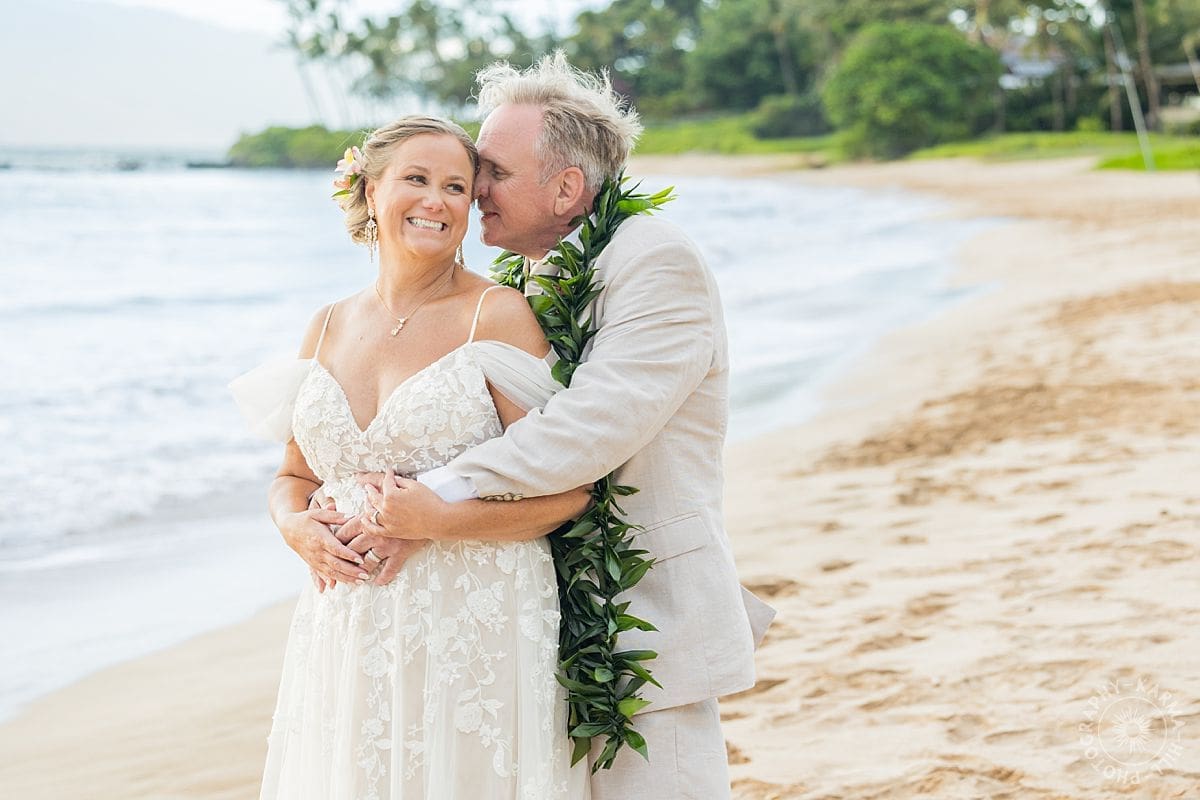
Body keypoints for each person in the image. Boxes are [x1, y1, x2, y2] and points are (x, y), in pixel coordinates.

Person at [351, 54, 775, 799]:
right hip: (536, 624)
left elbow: (589, 430)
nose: (474, 189)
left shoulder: (655, 260)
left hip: (644, 620)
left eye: (493, 172)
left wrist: (433, 502)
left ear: (567, 188)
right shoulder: (521, 279)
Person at [235, 115, 593, 799]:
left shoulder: (497, 314)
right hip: (347, 626)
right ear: (370, 192)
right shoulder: (328, 324)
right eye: (417, 180)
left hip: (473, 622)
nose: (437, 201)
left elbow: (570, 492)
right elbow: (295, 476)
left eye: (456, 187)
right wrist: (292, 527)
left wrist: (430, 522)